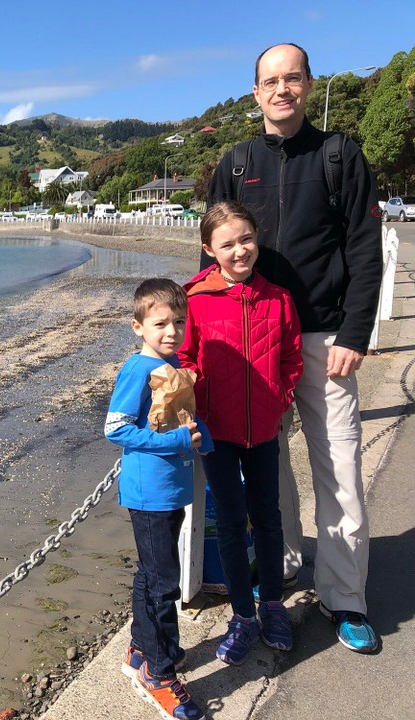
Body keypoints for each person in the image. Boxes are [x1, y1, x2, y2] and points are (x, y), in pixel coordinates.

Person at [207, 43, 383, 653]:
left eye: (293, 78)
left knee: (339, 467)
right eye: (270, 81)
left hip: (324, 337)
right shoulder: (235, 162)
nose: (282, 89)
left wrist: (355, 335)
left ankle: (344, 597)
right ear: (255, 91)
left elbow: (365, 249)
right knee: (265, 459)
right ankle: (279, 567)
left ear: (308, 85)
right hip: (251, 338)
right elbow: (215, 251)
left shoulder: (339, 155)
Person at [179, 202, 303, 665]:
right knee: (231, 524)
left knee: (268, 519)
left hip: (265, 432)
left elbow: (292, 358)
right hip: (218, 434)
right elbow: (186, 360)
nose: (239, 251)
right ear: (208, 249)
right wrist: (192, 405)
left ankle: (272, 605)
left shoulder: (279, 298)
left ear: (257, 239)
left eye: (246, 239)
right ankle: (242, 615)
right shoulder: (195, 300)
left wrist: (279, 399)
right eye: (227, 244)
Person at [105, 278, 213, 720]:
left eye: (179, 322)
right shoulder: (137, 369)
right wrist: (175, 444)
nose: (172, 331)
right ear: (138, 326)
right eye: (161, 323)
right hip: (148, 492)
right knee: (164, 582)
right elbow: (115, 428)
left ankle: (140, 650)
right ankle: (159, 671)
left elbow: (181, 419)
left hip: (172, 490)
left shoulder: (173, 366)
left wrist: (201, 438)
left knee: (152, 576)